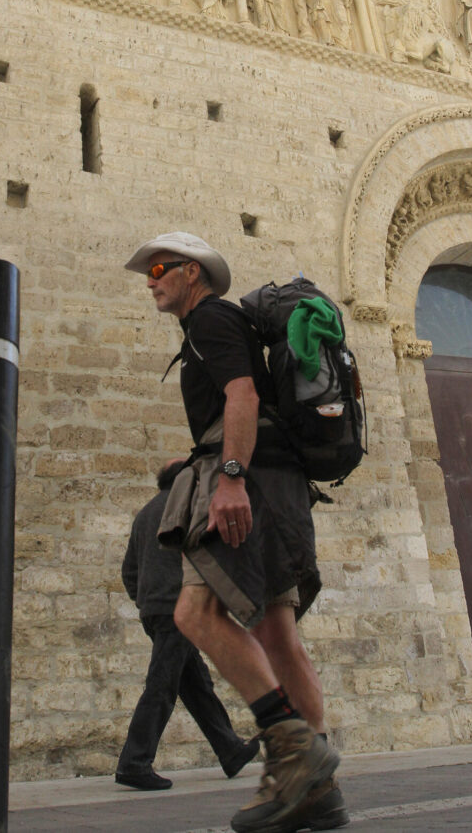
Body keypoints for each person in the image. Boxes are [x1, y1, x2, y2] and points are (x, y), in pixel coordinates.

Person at [124, 232, 348, 833]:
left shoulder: (210, 320)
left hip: (253, 486)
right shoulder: (224, 326)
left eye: (160, 267)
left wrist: (228, 478)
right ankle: (319, 792)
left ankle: (292, 749)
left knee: (194, 614)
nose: (151, 278)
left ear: (193, 272)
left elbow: (242, 395)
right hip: (280, 485)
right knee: (277, 634)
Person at [117, 460, 259, 791]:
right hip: (178, 609)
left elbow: (129, 572)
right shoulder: (189, 507)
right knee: (162, 684)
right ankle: (134, 762)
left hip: (155, 611)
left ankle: (230, 749)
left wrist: (145, 602)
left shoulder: (144, 514)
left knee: (195, 684)